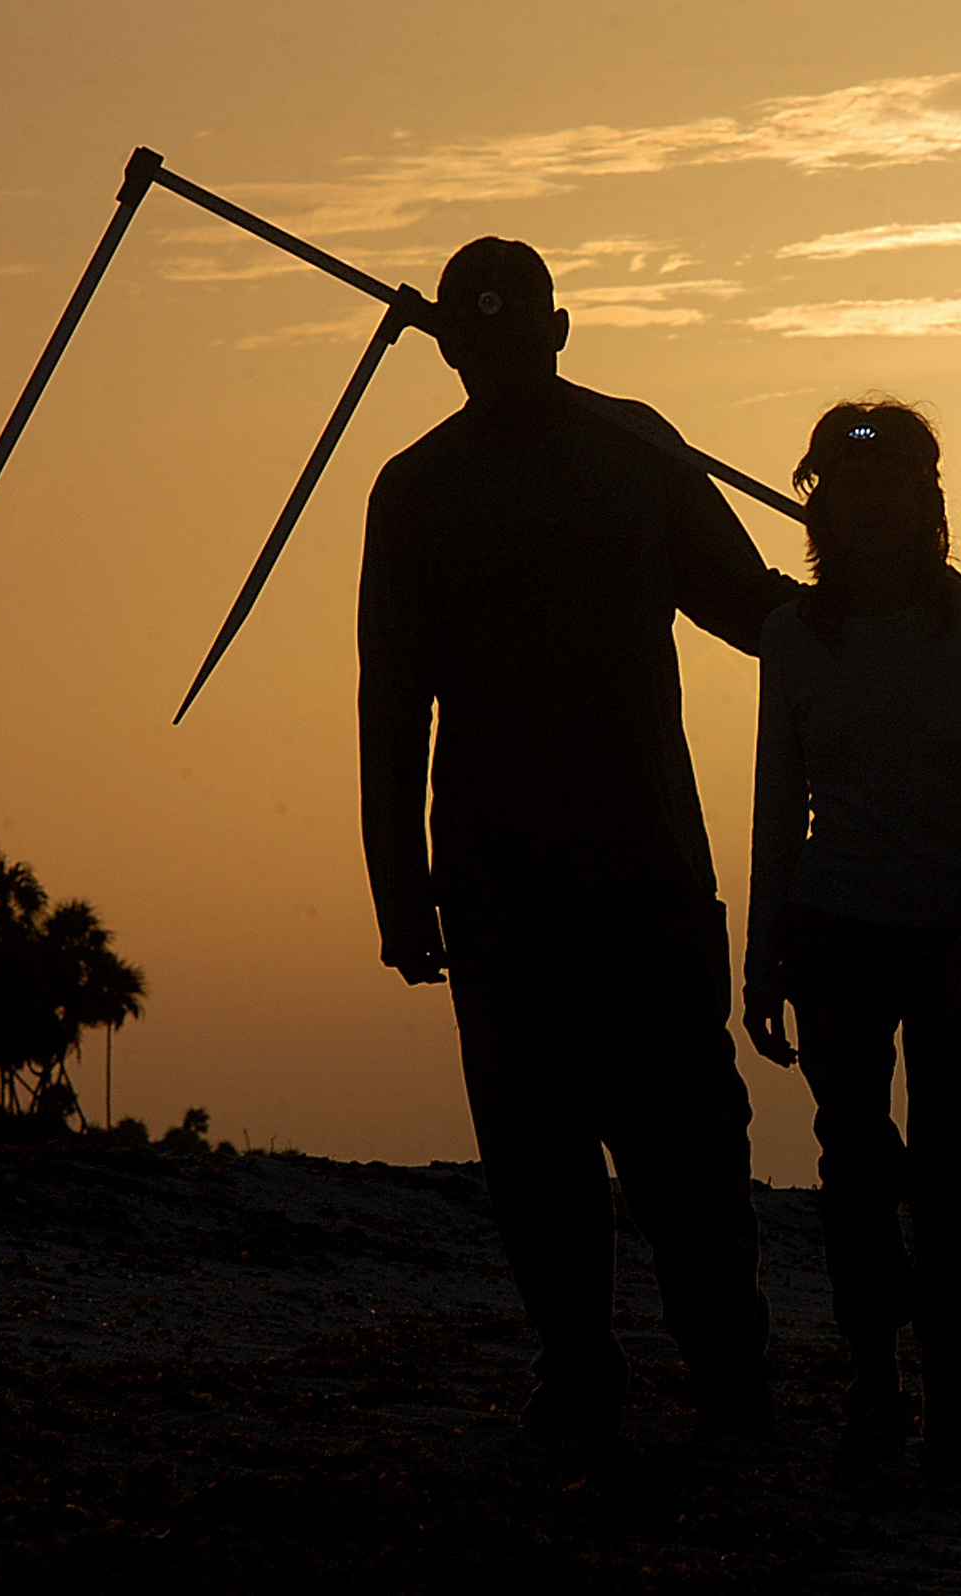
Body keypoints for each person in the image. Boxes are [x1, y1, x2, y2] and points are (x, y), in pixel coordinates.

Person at [357, 237, 800, 1444]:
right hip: (500, 882)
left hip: (647, 866)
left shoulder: (639, 450)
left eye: (518, 334)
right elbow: (392, 700)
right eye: (475, 338)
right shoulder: (416, 489)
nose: (498, 357)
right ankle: (580, 1369)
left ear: (561, 331)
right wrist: (403, 890)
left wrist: (856, 592)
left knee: (687, 1137)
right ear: (450, 346)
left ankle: (728, 1371)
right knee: (533, 1143)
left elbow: (746, 606)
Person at [742, 401, 961, 1480]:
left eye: (893, 483)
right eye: (848, 486)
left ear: (929, 499)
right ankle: (875, 1377)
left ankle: (951, 1397)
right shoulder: (791, 635)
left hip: (955, 932)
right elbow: (779, 804)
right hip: (834, 933)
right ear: (822, 502)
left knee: (954, 1179)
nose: (872, 504)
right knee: (858, 1165)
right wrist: (759, 953)